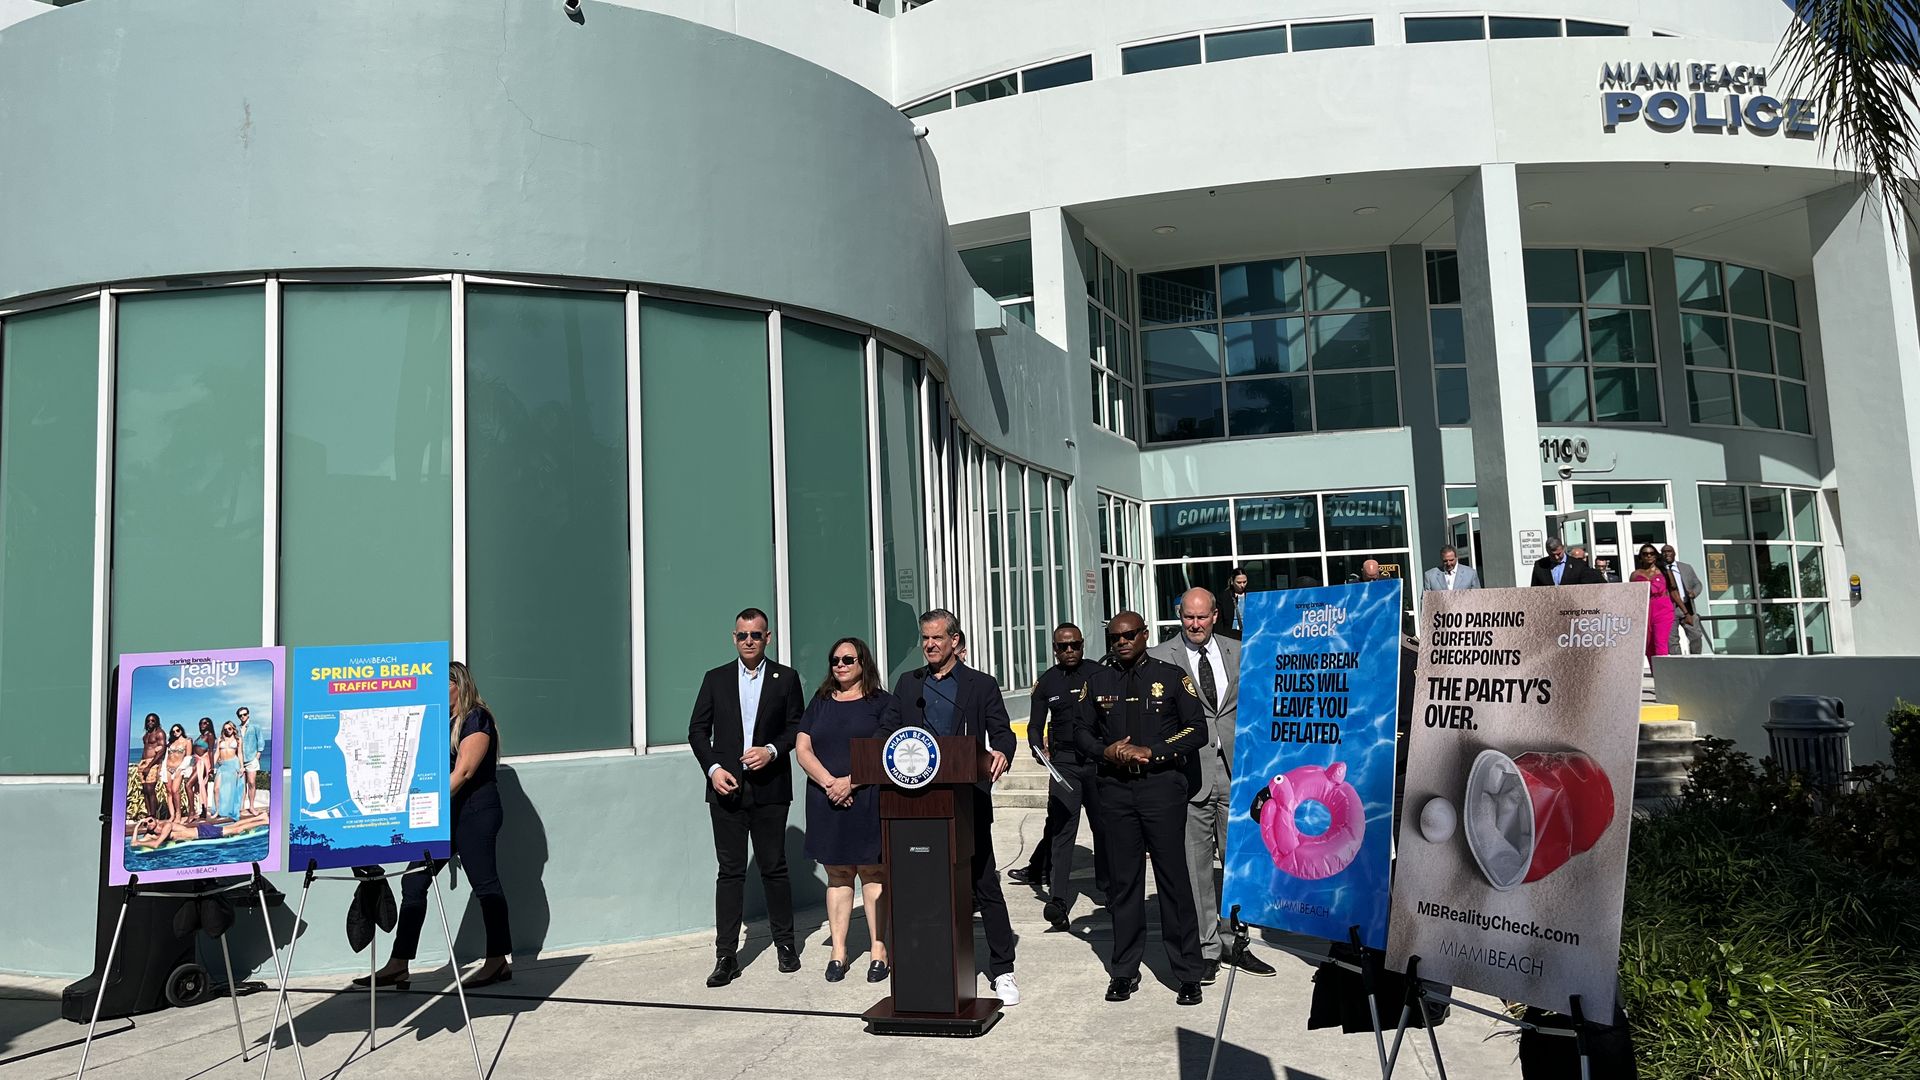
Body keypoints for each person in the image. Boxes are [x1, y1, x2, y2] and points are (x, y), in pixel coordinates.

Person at [879, 609, 1021, 1005]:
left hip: (966, 800)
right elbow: (887, 732)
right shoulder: (909, 684)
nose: (929, 646)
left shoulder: (980, 684)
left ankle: (1003, 969)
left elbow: (1002, 732)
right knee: (923, 888)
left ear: (955, 640)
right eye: (925, 639)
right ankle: (922, 964)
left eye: (937, 638)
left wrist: (1002, 755)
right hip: (915, 804)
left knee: (983, 883)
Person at [1077, 610, 1208, 1007]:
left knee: (1173, 881)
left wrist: (1154, 750)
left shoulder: (1170, 677)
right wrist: (1106, 750)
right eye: (1115, 637)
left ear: (1144, 635)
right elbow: (1079, 732)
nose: (1122, 642)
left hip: (1160, 789)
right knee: (1124, 884)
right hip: (1116, 792)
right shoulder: (1097, 680)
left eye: (1130, 635)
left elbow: (1197, 729)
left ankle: (1187, 973)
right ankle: (1123, 970)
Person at [361, 661, 513, 990]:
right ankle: (399, 964)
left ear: (459, 684)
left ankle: (498, 960)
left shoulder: (477, 718)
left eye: (443, 684)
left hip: (476, 811)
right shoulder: (439, 722)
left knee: (485, 884)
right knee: (413, 883)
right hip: (447, 814)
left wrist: (424, 809)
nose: (437, 691)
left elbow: (464, 773)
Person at [1149, 589, 1275, 986]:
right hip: (1188, 776)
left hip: (1237, 773)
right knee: (1196, 869)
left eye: (1202, 618)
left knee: (1238, 865)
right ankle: (1206, 949)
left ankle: (1236, 940)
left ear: (1216, 615)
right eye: (1188, 617)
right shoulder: (1158, 657)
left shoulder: (1240, 651)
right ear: (1179, 616)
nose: (1195, 625)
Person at [688, 607, 805, 988]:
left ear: (767, 638)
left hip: (771, 788)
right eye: (743, 635)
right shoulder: (716, 679)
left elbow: (797, 728)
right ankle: (726, 955)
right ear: (734, 638)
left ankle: (786, 946)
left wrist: (771, 749)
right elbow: (697, 731)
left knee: (774, 868)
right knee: (730, 872)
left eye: (756, 635)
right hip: (727, 790)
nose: (749, 641)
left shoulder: (785, 678)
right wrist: (713, 770)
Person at [794, 637, 891, 984]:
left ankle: (879, 949)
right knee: (838, 875)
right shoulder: (820, 701)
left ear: (863, 662)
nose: (840, 665)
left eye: (848, 659)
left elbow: (884, 749)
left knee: (872, 873)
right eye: (835, 660)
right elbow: (802, 747)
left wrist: (850, 782)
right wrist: (829, 783)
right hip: (825, 799)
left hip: (866, 797)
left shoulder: (882, 703)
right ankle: (839, 950)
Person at [1007, 623, 1109, 930]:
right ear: (1054, 649)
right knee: (1063, 832)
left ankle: (1109, 889)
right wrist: (1037, 748)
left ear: (1082, 645)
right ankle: (1059, 900)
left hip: (1096, 762)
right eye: (1063, 646)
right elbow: (1035, 726)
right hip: (1064, 764)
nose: (1069, 651)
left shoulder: (1098, 674)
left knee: (1104, 828)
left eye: (1074, 645)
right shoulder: (1047, 682)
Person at [131, 807, 269, 849]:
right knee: (234, 826)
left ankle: (262, 821)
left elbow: (156, 844)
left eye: (150, 820)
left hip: (203, 832)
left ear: (155, 819)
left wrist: (139, 842)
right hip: (202, 831)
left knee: (236, 830)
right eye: (146, 823)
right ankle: (261, 817)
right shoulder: (151, 832)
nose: (148, 823)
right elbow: (134, 843)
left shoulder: (166, 826)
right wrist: (137, 827)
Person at [1632, 545, 1677, 659]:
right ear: (1641, 557)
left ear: (1656, 556)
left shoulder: (1664, 572)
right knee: (1648, 645)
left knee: (1660, 642)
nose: (1649, 556)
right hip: (1644, 610)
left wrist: (1687, 612)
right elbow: (1632, 595)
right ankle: (1655, 673)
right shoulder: (1635, 574)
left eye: (1651, 553)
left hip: (1662, 609)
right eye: (1645, 554)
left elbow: (1673, 591)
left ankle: (1663, 674)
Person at [1661, 544, 1708, 654]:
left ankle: (1695, 660)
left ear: (1674, 553)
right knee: (1672, 640)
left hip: (1687, 606)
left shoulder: (1686, 567)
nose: (1666, 553)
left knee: (1696, 635)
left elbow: (1697, 584)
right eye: (1663, 552)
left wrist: (1694, 593)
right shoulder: (1660, 570)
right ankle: (1678, 664)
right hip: (1670, 608)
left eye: (1669, 551)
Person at [135, 714, 166, 821]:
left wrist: (150, 765)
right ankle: (149, 814)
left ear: (157, 722)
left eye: (153, 721)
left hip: (153, 762)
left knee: (150, 789)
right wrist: (142, 763)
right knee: (145, 790)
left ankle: (153, 815)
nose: (150, 723)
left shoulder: (160, 733)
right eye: (148, 721)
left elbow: (162, 750)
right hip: (143, 762)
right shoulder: (146, 734)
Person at [213, 721, 244, 820]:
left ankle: (230, 811)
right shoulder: (220, 739)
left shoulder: (238, 739)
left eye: (229, 728)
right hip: (223, 766)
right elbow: (217, 752)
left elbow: (239, 753)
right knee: (216, 789)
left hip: (233, 764)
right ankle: (217, 811)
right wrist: (213, 766)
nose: (227, 730)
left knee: (231, 790)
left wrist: (242, 767)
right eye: (225, 729)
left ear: (233, 729)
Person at [160, 724, 192, 821]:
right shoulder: (170, 742)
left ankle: (178, 814)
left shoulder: (187, 741)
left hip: (178, 769)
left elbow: (188, 757)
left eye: (177, 730)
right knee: (169, 792)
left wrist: (181, 768)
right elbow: (165, 755)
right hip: (168, 768)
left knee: (175, 790)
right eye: (173, 731)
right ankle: (172, 815)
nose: (175, 733)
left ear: (181, 730)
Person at [238, 705, 266, 814]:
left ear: (248, 714)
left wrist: (257, 756)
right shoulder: (237, 728)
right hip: (240, 760)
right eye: (240, 715)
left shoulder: (255, 726)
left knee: (251, 783)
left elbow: (261, 741)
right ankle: (241, 807)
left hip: (251, 759)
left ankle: (251, 806)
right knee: (241, 785)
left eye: (244, 714)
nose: (243, 717)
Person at [193, 718, 218, 821]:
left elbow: (211, 751)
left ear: (209, 725)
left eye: (205, 723)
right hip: (197, 762)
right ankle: (203, 810)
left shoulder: (209, 735)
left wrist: (212, 767)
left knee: (194, 784)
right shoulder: (201, 736)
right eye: (200, 723)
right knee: (201, 786)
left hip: (204, 762)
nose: (202, 725)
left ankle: (201, 810)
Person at [1219, 567, 1251, 640]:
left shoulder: (1251, 595)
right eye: (1239, 582)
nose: (1242, 585)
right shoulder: (1224, 597)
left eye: (1244, 582)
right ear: (1232, 582)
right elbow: (1220, 622)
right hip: (1230, 636)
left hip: (1249, 635)